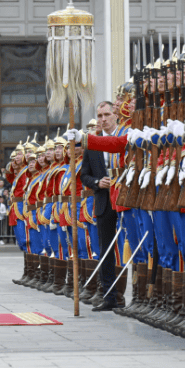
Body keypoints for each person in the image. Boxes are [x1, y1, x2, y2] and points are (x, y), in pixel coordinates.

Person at [79, 100, 124, 311]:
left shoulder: (126, 134)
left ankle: (130, 295)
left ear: (115, 114)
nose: (103, 119)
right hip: (104, 200)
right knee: (106, 250)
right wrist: (97, 183)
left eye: (106, 114)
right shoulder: (93, 143)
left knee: (130, 248)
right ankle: (109, 295)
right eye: (100, 116)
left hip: (125, 198)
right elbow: (84, 176)